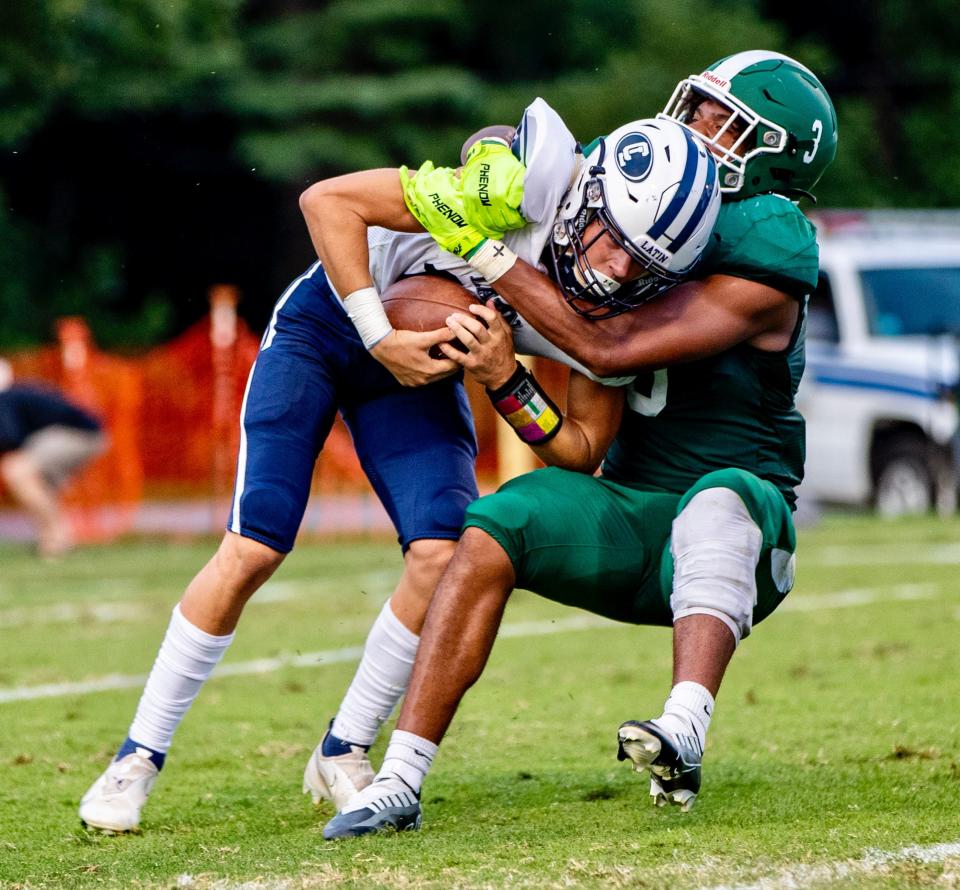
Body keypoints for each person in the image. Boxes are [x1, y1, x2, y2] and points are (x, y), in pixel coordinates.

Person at [77, 104, 720, 831]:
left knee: (440, 555)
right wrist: (379, 334)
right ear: (588, 197)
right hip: (332, 324)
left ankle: (343, 747)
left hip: (417, 372)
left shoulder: (616, 313)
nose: (620, 270)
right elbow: (326, 201)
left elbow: (581, 449)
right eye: (617, 243)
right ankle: (137, 755)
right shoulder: (512, 189)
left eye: (647, 264)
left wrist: (508, 380)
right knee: (254, 544)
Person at [322, 49, 839, 838]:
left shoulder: (768, 239)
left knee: (718, 499)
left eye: (725, 123)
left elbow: (610, 349)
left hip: (744, 533)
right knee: (497, 522)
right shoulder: (652, 197)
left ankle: (684, 730)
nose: (695, 126)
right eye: (698, 106)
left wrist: (483, 252)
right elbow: (579, 444)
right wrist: (503, 371)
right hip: (631, 514)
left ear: (775, 157)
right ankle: (398, 781)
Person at [0, 360, 107, 557]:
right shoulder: (17, 394)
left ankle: (57, 536)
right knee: (34, 480)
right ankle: (51, 538)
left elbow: (9, 440)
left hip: (79, 434)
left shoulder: (5, 398)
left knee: (16, 471)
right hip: (77, 434)